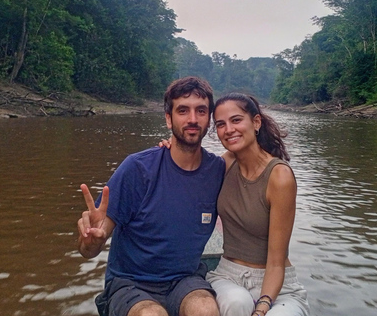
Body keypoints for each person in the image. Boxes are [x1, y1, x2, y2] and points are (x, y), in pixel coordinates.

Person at [77, 76, 225, 316]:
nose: (192, 119)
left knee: (206, 309)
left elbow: (252, 164)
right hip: (131, 283)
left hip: (184, 280)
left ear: (209, 119)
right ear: (168, 118)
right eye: (183, 111)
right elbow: (88, 250)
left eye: (201, 111)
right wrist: (91, 241)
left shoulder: (217, 170)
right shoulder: (137, 169)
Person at [163, 93, 309, 316]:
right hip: (229, 275)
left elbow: (277, 262)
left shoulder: (279, 177)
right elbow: (188, 167)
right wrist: (167, 149)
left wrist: (262, 307)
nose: (228, 129)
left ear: (256, 122)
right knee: (237, 303)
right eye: (220, 124)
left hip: (277, 284)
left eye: (236, 120)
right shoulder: (225, 164)